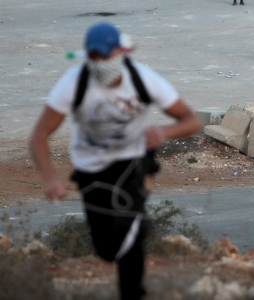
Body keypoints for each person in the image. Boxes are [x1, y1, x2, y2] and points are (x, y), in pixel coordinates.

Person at [30, 22, 202, 300]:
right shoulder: (75, 82)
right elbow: (39, 134)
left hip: (132, 163)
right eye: (94, 58)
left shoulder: (144, 79)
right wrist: (50, 178)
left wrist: (163, 132)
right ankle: (130, 231)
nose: (101, 64)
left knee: (130, 226)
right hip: (91, 169)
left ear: (121, 52)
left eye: (106, 56)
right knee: (107, 250)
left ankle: (133, 290)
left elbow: (191, 120)